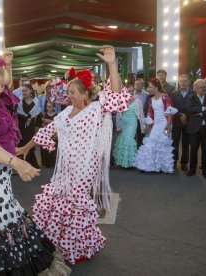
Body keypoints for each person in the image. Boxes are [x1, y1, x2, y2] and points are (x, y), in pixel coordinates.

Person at [0, 53, 70, 275]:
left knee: (0, 219)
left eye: (2, 84)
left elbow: (7, 97)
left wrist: (7, 65)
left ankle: (1, 265)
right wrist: (16, 162)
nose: (0, 89)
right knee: (3, 220)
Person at [18, 45, 131, 264]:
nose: (69, 96)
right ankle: (60, 242)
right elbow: (46, 131)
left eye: (73, 92)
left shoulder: (97, 109)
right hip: (65, 167)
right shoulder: (66, 113)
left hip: (85, 166)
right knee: (59, 199)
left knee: (76, 203)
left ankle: (78, 245)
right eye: (68, 92)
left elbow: (116, 94)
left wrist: (111, 64)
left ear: (86, 93)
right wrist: (26, 147)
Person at [134, 78, 177, 173]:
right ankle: (149, 165)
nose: (148, 89)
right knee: (151, 143)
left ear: (156, 87)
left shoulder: (165, 97)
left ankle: (162, 166)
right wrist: (148, 126)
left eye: (150, 87)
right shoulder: (151, 99)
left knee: (162, 144)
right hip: (156, 124)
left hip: (165, 124)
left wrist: (169, 125)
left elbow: (169, 112)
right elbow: (150, 114)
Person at [185, 79, 206, 179]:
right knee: (193, 150)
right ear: (195, 88)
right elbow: (190, 110)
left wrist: (199, 112)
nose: (204, 88)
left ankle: (205, 170)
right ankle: (192, 169)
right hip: (194, 128)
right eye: (202, 87)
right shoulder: (190, 97)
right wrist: (203, 108)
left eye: (205, 86)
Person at [113, 88, 145, 168]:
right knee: (123, 138)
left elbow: (141, 115)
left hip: (132, 122)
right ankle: (123, 161)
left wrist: (143, 126)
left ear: (133, 92)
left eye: (131, 91)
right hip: (124, 122)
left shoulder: (137, 101)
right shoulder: (122, 101)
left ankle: (130, 162)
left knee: (129, 139)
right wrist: (119, 126)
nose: (129, 92)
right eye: (127, 91)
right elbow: (118, 114)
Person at [170, 74, 194, 171]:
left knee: (186, 143)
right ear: (178, 83)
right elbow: (171, 108)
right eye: (181, 81)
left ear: (188, 82)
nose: (183, 83)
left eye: (185, 81)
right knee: (174, 142)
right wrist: (180, 116)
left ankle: (184, 162)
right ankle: (174, 161)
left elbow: (195, 107)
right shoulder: (173, 93)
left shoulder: (193, 93)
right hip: (176, 121)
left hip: (189, 122)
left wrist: (186, 116)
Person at [17, 83, 42, 168]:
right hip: (21, 125)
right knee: (22, 143)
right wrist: (24, 118)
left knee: (29, 143)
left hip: (30, 125)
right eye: (23, 91)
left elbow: (37, 113)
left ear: (30, 91)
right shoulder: (20, 101)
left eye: (26, 90)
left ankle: (32, 164)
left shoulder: (36, 101)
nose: (24, 92)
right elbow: (17, 113)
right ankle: (22, 165)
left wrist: (30, 119)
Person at [39, 101, 57, 168]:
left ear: (53, 107)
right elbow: (40, 125)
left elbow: (57, 125)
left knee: (52, 150)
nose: (48, 108)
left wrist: (49, 121)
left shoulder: (57, 115)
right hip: (45, 135)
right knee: (44, 150)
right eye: (47, 106)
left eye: (50, 106)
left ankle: (53, 163)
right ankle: (45, 163)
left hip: (53, 135)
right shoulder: (44, 114)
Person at [133, 78, 149, 147]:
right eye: (136, 84)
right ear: (134, 85)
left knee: (142, 136)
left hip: (143, 119)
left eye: (140, 84)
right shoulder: (131, 95)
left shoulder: (147, 95)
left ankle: (140, 152)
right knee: (133, 136)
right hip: (133, 119)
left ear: (143, 85)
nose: (138, 85)